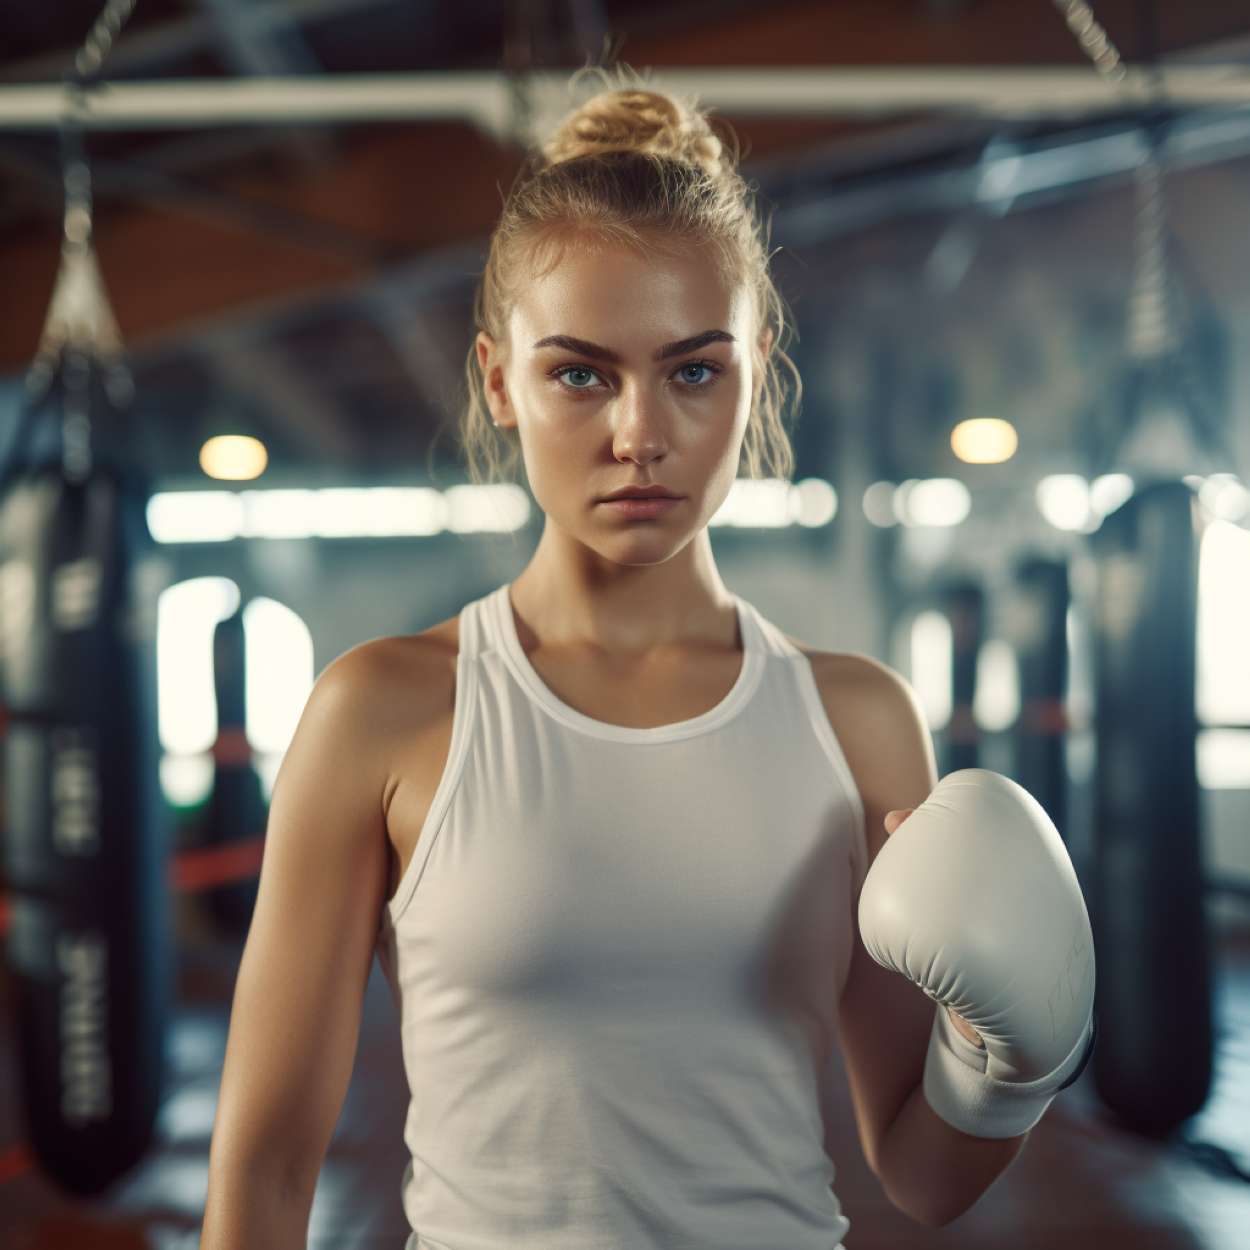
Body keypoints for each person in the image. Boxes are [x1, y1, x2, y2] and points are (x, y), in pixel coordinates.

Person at [200, 62, 1093, 1250]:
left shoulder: (857, 720)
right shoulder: (384, 710)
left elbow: (922, 1173)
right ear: (497, 381)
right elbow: (263, 1172)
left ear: (754, 363)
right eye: (579, 372)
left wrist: (1010, 1062)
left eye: (691, 369)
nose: (639, 435)